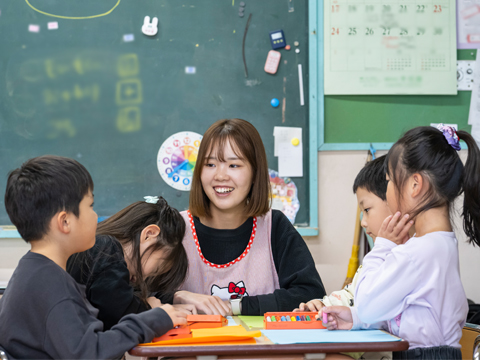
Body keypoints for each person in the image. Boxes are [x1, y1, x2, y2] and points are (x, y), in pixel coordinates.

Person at [0, 155, 187, 359]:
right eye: (90, 206)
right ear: (65, 222)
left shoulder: (32, 271)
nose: (95, 216)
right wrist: (153, 320)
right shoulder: (53, 285)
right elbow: (89, 353)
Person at [322, 125, 480, 360]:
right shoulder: (438, 244)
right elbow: (401, 310)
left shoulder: (417, 252)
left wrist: (383, 246)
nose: (387, 190)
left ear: (415, 185)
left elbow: (367, 301)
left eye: (388, 180)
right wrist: (355, 318)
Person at [172, 118, 326, 316]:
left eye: (233, 165)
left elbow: (310, 294)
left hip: (263, 346)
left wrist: (235, 306)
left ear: (255, 173)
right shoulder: (176, 228)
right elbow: (139, 294)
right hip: (192, 347)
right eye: (210, 164)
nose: (220, 175)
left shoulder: (275, 226)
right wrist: (178, 296)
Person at [295, 155, 393, 360]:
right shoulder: (377, 256)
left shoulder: (404, 260)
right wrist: (323, 305)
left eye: (367, 210)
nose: (364, 222)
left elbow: (370, 308)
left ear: (395, 201)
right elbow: (352, 293)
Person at [67, 195, 195, 331]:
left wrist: (171, 298)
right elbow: (120, 312)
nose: (144, 278)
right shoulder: (105, 248)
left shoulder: (99, 251)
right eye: (156, 269)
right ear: (149, 234)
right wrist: (149, 309)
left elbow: (129, 293)